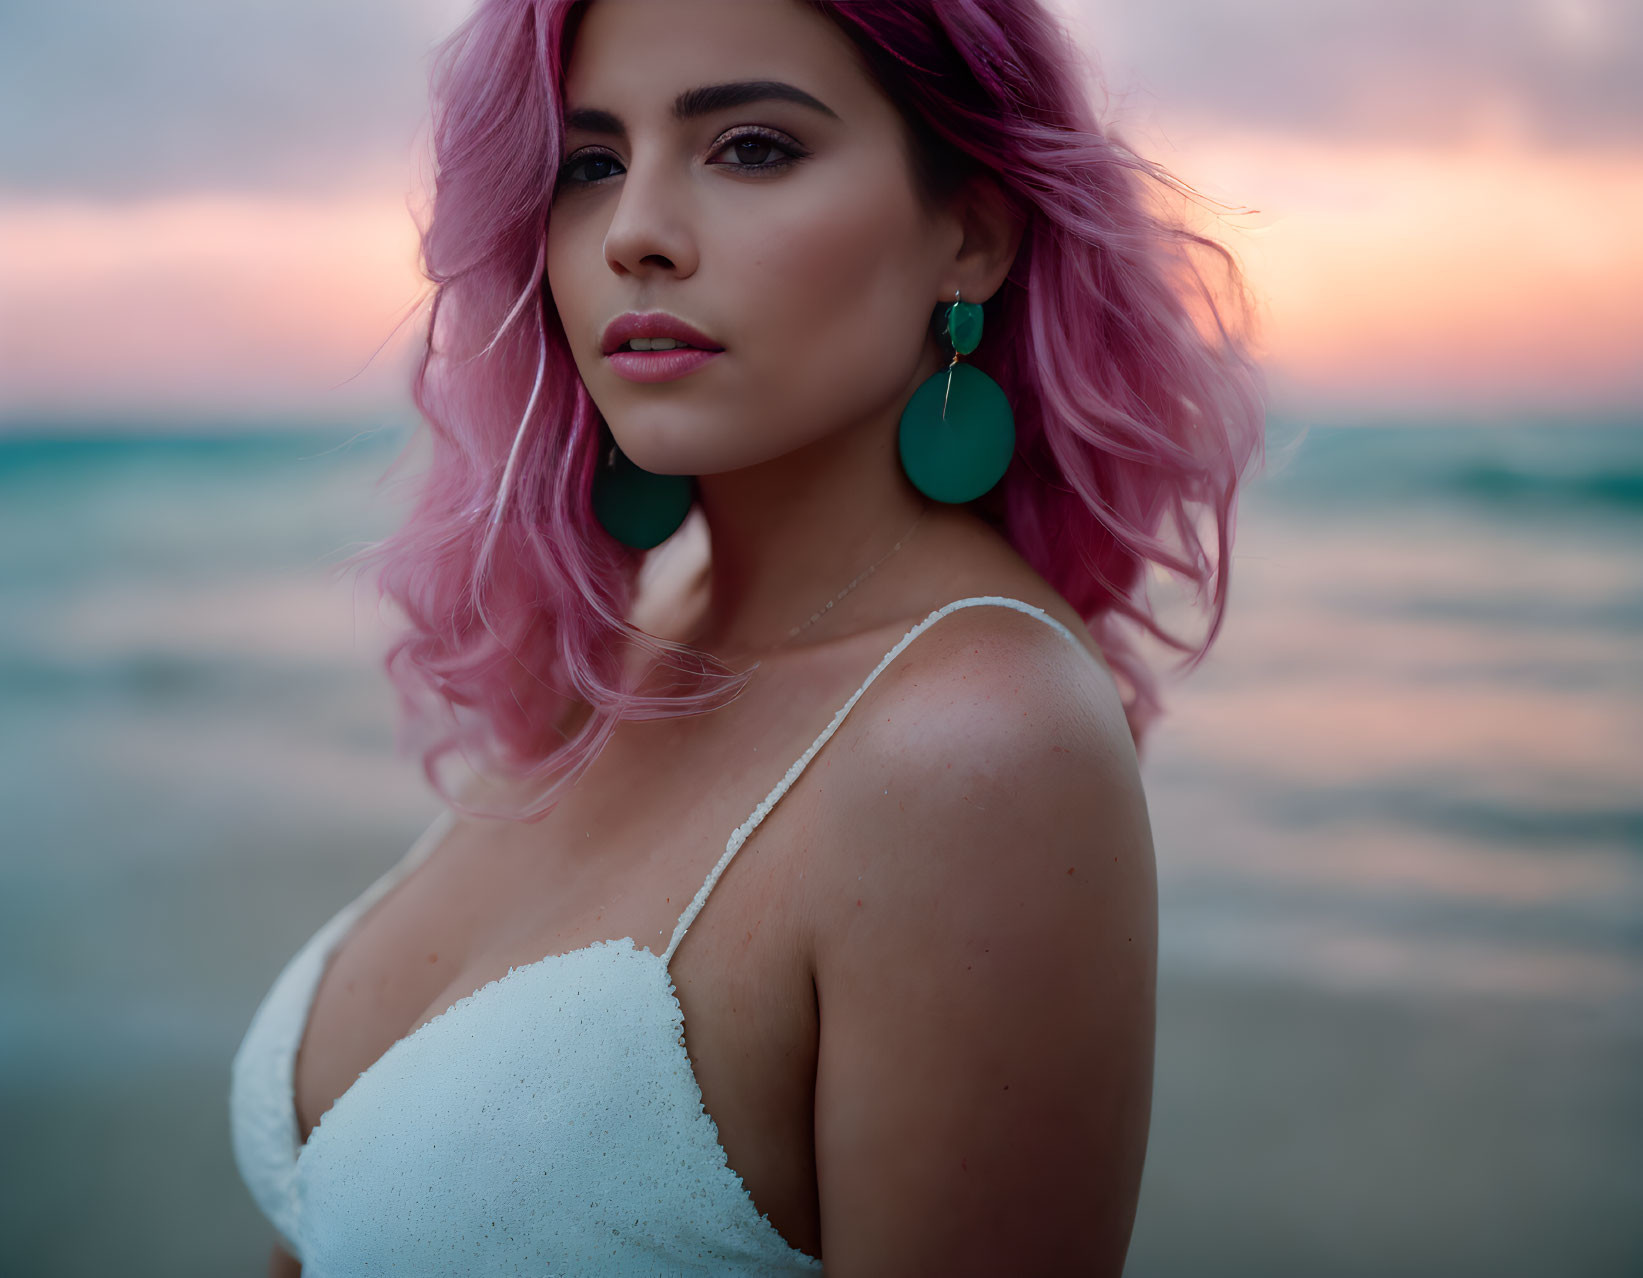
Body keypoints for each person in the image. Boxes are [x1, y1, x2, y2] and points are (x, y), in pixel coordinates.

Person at [229, 0, 1265, 1273]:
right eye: (588, 164)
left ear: (973, 234)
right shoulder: (628, 637)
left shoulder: (981, 747)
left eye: (752, 148)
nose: (636, 236)